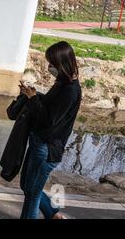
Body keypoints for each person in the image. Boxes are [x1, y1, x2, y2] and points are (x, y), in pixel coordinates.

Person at [18, 41, 81, 219]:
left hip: (47, 148)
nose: (49, 67)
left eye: (52, 64)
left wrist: (32, 100)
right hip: (39, 141)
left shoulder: (70, 90)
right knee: (27, 186)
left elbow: (49, 120)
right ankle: (53, 215)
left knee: (32, 193)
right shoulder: (61, 83)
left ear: (63, 63)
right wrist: (33, 94)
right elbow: (49, 107)